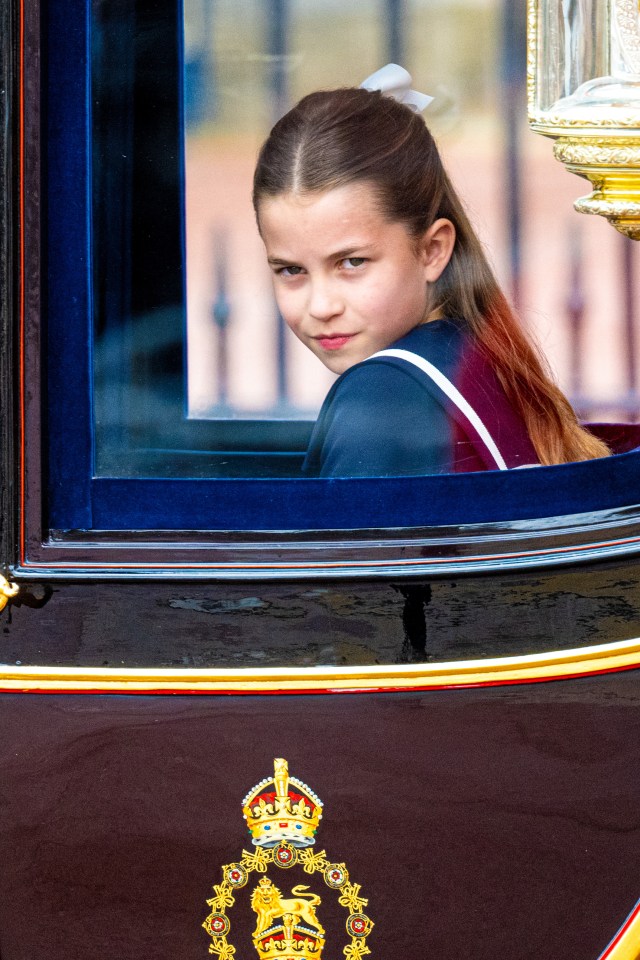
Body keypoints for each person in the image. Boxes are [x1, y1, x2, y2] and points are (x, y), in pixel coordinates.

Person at [252, 65, 610, 478]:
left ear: (432, 250)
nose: (321, 305)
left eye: (352, 262)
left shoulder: (380, 397)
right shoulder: (480, 351)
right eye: (291, 270)